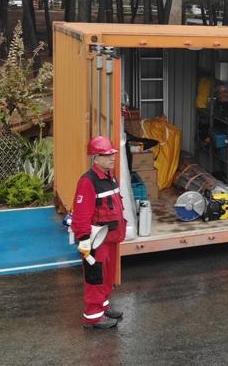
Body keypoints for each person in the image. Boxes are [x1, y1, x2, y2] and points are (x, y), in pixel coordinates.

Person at [72, 136, 126, 329]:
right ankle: (93, 317)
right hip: (96, 241)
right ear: (96, 158)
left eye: (112, 153)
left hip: (110, 237)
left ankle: (103, 306)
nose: (112, 157)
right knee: (95, 277)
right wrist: (84, 240)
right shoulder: (88, 182)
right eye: (107, 155)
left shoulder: (110, 177)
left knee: (107, 276)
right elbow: (81, 214)